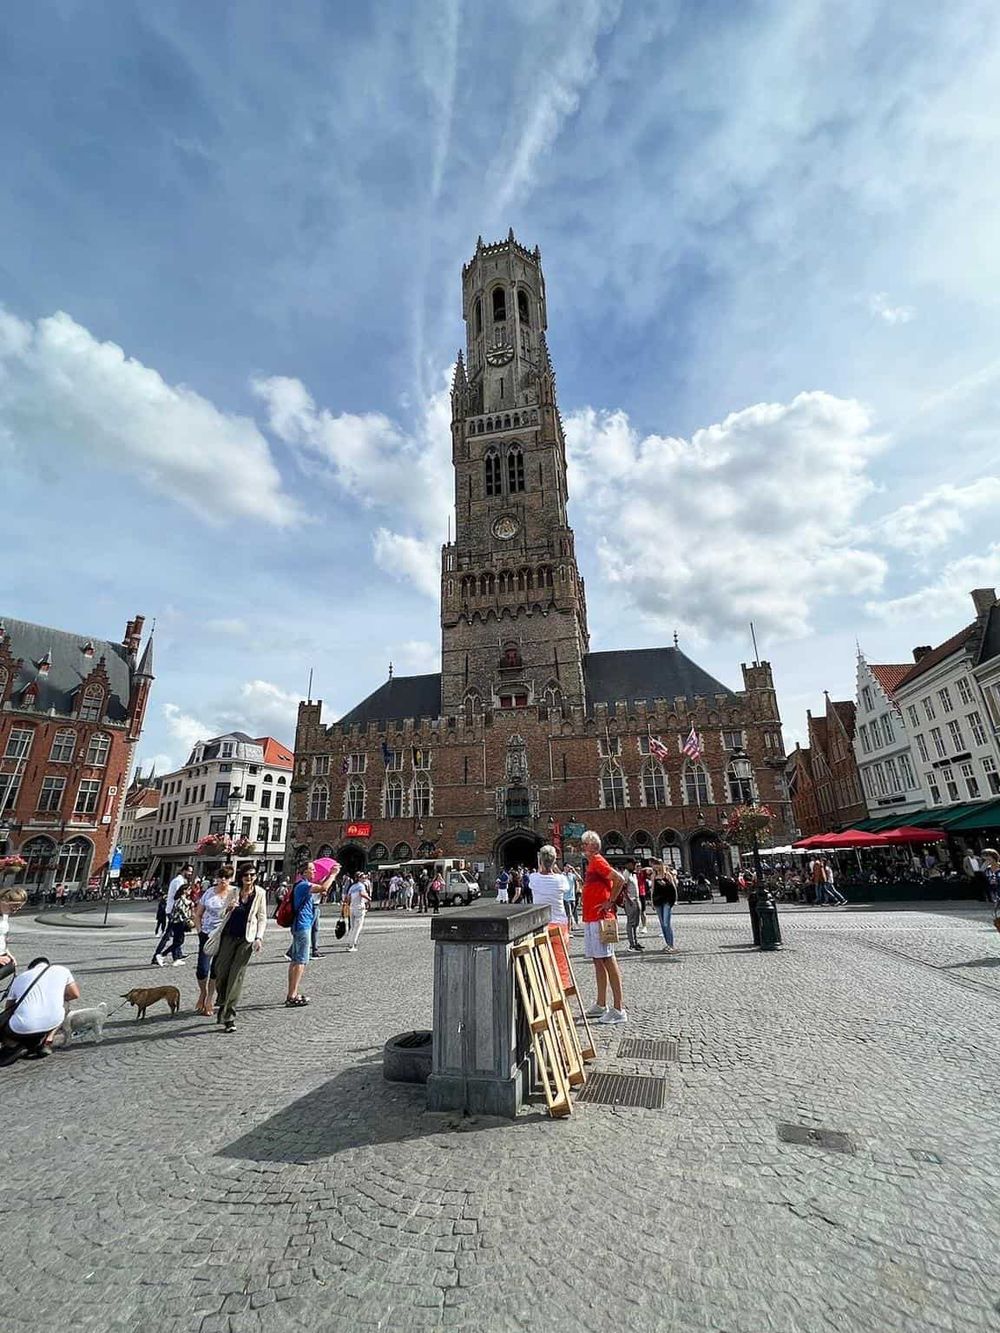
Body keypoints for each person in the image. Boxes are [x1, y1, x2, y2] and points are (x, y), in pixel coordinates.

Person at [212, 866, 267, 1033]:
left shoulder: (260, 893)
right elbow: (220, 914)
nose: (249, 877)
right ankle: (223, 1000)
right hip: (228, 936)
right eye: (246, 875)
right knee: (220, 971)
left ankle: (229, 1016)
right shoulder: (233, 892)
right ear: (241, 877)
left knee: (236, 976)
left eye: (252, 875)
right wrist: (229, 908)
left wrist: (259, 937)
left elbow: (262, 917)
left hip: (246, 939)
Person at [580, 830, 627, 1025]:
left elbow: (619, 879)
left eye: (585, 844)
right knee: (598, 960)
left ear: (593, 846)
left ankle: (618, 1009)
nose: (582, 847)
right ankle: (601, 1004)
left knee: (608, 959)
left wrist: (610, 901)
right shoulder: (593, 863)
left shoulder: (598, 860)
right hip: (592, 917)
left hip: (601, 918)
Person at [0, 955, 80, 1064]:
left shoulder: (21, 977)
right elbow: (75, 994)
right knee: (65, 1004)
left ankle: (12, 1044)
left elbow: (8, 1008)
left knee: (7, 1022)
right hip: (52, 1023)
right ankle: (48, 1040)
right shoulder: (63, 970)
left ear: (30, 968)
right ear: (47, 965)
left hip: (20, 1028)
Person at [528, 845, 572, 987]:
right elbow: (565, 886)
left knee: (542, 961)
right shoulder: (561, 879)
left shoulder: (533, 878)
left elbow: (535, 879)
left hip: (541, 925)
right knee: (561, 962)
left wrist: (542, 865)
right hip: (560, 925)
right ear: (554, 861)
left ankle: (544, 990)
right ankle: (563, 989)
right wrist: (554, 867)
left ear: (540, 861)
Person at [193, 869, 234, 1016]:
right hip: (206, 934)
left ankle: (209, 998)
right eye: (221, 876)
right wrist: (199, 931)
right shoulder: (209, 892)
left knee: (216, 969)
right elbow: (198, 914)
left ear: (231, 878)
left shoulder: (234, 893)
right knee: (202, 969)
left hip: (224, 935)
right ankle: (203, 992)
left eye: (227, 877)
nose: (223, 879)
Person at [285, 863, 317, 1007]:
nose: (314, 871)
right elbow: (324, 887)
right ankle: (292, 996)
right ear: (304, 872)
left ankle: (292, 993)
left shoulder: (301, 885)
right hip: (302, 925)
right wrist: (333, 874)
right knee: (300, 961)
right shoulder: (303, 885)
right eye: (312, 869)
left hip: (300, 925)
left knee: (295, 960)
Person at [151, 864, 192, 961]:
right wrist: (188, 902)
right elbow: (179, 895)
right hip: (174, 911)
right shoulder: (178, 881)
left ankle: (177, 955)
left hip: (174, 910)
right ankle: (157, 956)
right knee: (169, 935)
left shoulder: (180, 880)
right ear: (184, 871)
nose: (190, 873)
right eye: (189, 871)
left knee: (177, 935)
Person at [0, 888, 28, 988]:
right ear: (4, 900)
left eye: (18, 908)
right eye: (13, 907)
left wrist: (8, 953)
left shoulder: (4, 915)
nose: (15, 911)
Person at [651, 862, 678, 952]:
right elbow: (652, 890)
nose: (656, 867)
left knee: (666, 923)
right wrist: (652, 902)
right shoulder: (654, 876)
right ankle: (668, 944)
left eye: (657, 865)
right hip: (658, 901)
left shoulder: (668, 875)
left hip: (667, 901)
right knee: (662, 924)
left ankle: (671, 945)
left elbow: (674, 888)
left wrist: (675, 900)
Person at [345, 873, 371, 951]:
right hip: (359, 907)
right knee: (358, 927)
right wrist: (369, 898)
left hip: (352, 907)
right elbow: (362, 894)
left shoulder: (352, 886)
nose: (364, 879)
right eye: (363, 877)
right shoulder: (361, 886)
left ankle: (349, 942)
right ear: (359, 878)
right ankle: (352, 944)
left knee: (352, 927)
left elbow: (348, 898)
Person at [622, 860, 643, 952]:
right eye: (633, 865)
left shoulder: (633, 874)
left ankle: (635, 941)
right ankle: (632, 943)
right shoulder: (626, 874)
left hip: (637, 899)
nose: (635, 866)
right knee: (631, 922)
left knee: (636, 922)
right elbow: (623, 888)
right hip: (631, 900)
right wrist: (628, 899)